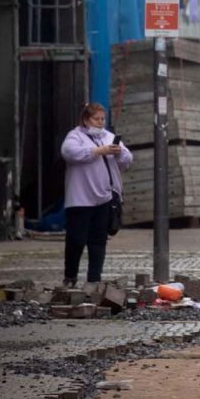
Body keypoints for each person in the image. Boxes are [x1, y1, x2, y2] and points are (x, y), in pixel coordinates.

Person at [60, 103, 133, 287]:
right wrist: (98, 151)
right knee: (76, 240)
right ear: (86, 119)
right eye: (96, 119)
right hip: (80, 198)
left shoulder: (109, 137)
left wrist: (118, 153)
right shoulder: (75, 136)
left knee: (98, 241)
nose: (100, 122)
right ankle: (70, 276)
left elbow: (127, 160)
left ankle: (94, 279)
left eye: (102, 119)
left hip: (105, 197)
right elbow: (69, 153)